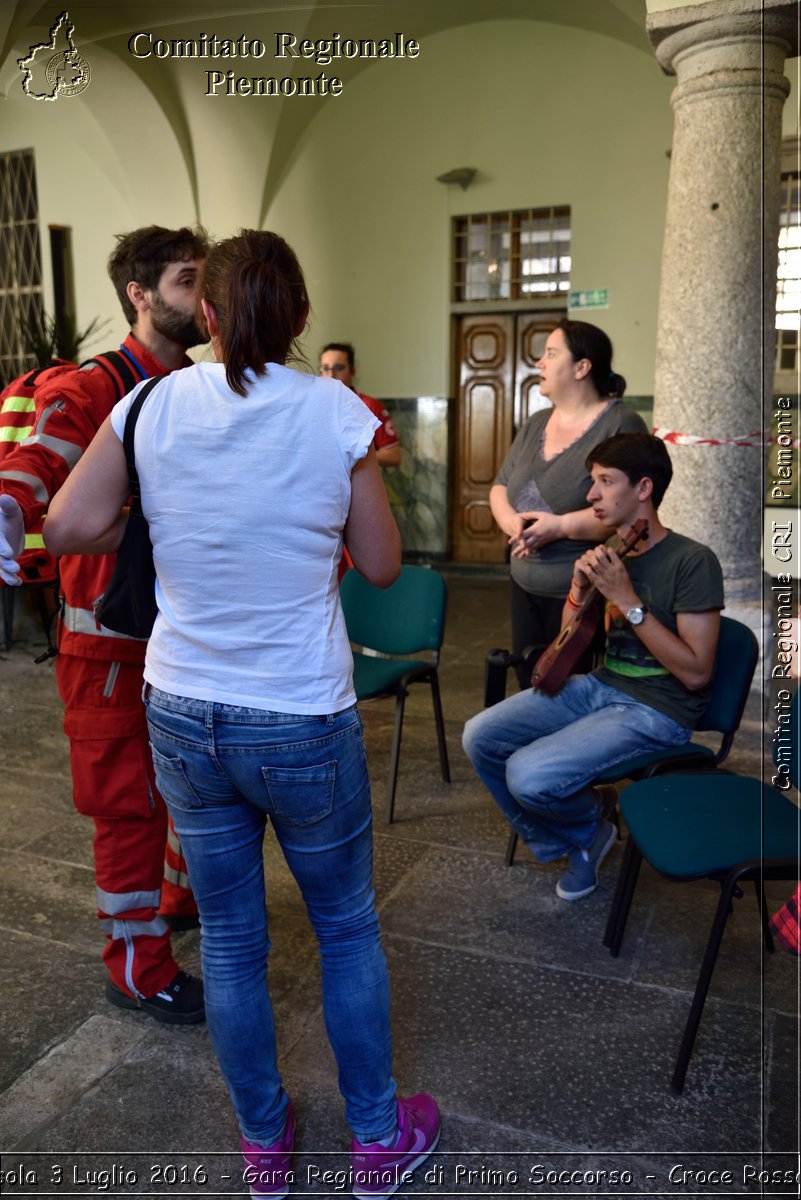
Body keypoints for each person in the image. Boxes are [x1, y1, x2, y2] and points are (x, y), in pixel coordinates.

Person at [44, 229, 440, 1196]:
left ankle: (265, 1146)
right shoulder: (336, 410)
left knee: (227, 938)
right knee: (343, 928)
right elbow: (383, 566)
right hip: (300, 714)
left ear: (207, 315)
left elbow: (66, 526)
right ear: (301, 319)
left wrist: (172, 506)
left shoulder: (145, 404)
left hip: (182, 708)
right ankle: (379, 1140)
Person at [0, 225, 210, 1024]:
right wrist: (12, 499)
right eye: (188, 280)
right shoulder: (96, 384)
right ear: (140, 294)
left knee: (185, 789)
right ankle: (135, 964)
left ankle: (176, 902)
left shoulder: (194, 382)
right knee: (126, 806)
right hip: (109, 643)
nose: (203, 297)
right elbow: (42, 450)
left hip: (181, 638)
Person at [463, 433, 724, 902]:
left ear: (643, 489)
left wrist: (627, 600)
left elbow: (697, 673)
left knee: (528, 775)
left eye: (605, 481)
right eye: (593, 481)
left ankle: (585, 832)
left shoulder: (692, 561)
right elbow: (570, 645)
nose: (591, 495)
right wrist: (579, 592)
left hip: (658, 712)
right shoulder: (614, 552)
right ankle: (582, 828)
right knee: (480, 737)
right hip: (601, 687)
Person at [490, 319, 647, 688]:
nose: (540, 363)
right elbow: (499, 486)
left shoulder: (621, 423)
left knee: (568, 687)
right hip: (524, 581)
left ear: (582, 367)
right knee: (530, 682)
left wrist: (558, 527)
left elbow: (623, 511)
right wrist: (513, 522)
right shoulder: (536, 422)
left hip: (580, 589)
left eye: (551, 354)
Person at [320, 341, 402, 468]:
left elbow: (394, 456)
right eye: (325, 368)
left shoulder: (370, 406)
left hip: (359, 484)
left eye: (339, 368)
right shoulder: (315, 406)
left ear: (352, 371)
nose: (331, 375)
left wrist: (353, 453)